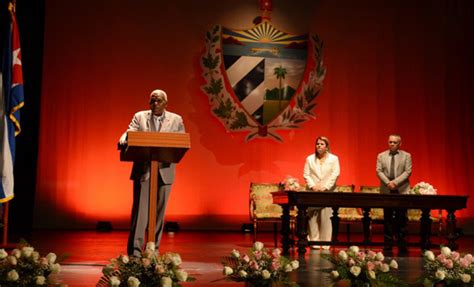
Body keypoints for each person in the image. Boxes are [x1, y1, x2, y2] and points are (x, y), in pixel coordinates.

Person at [118, 89, 185, 256]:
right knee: (140, 213)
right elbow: (131, 130)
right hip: (144, 170)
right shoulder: (140, 116)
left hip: (165, 171)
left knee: (159, 214)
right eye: (152, 101)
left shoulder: (176, 119)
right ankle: (135, 253)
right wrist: (124, 136)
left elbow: (182, 141)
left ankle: (152, 251)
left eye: (159, 101)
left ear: (166, 104)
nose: (155, 104)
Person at [376, 134, 412, 256]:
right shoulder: (381, 155)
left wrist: (395, 183)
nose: (391, 144)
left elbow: (408, 171)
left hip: (401, 189)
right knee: (387, 218)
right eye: (390, 142)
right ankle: (388, 244)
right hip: (387, 190)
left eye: (394, 142)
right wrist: (388, 183)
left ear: (400, 144)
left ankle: (402, 245)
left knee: (402, 219)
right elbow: (379, 171)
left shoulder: (406, 156)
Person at [303, 136, 340, 250]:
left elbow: (335, 174)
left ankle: (325, 243)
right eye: (317, 143)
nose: (319, 146)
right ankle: (314, 241)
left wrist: (325, 187)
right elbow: (306, 174)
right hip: (313, 191)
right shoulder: (309, 159)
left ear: (327, 146)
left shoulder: (334, 159)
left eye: (322, 144)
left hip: (328, 192)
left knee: (326, 217)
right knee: (312, 217)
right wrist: (313, 186)